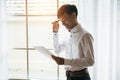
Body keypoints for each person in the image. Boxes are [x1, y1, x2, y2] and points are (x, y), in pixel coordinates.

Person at [51, 4, 94, 80]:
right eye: (61, 21)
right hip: (69, 77)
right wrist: (55, 32)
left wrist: (65, 61)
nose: (63, 24)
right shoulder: (68, 36)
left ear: (74, 15)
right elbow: (57, 50)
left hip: (81, 78)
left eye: (64, 20)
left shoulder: (85, 35)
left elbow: (90, 61)